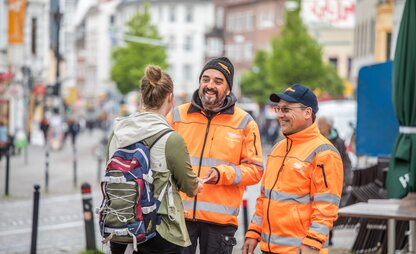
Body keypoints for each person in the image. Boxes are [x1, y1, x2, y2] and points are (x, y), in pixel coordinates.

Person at [167, 57, 264, 254]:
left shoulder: (245, 123)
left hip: (220, 224)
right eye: (205, 79)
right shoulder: (177, 116)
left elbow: (255, 170)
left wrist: (223, 174)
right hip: (179, 217)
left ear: (228, 89)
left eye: (218, 81)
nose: (210, 85)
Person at [107, 65, 203, 254]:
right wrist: (197, 184)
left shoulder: (117, 133)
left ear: (141, 97)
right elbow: (189, 187)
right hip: (159, 231)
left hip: (120, 228)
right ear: (170, 98)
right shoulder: (171, 139)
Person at [243, 84, 343, 254]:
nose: (280, 115)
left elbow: (326, 207)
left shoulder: (324, 153)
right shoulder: (277, 149)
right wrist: (253, 232)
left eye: (286, 109)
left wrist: (313, 242)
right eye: (278, 108)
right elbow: (264, 198)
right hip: (269, 248)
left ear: (307, 113)